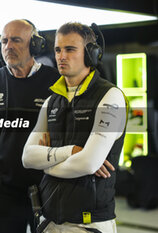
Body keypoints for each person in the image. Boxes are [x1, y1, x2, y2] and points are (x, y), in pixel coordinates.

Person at [22, 22, 128, 233]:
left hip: (88, 224)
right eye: (58, 50)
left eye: (70, 49)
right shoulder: (51, 101)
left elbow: (88, 164)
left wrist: (45, 165)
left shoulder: (110, 96)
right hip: (49, 220)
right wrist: (70, 152)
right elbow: (27, 157)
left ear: (91, 54)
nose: (61, 56)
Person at [0, 19, 59, 233]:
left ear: (35, 45)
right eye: (4, 41)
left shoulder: (56, 82)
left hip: (48, 189)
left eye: (16, 40)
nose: (8, 46)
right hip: (2, 194)